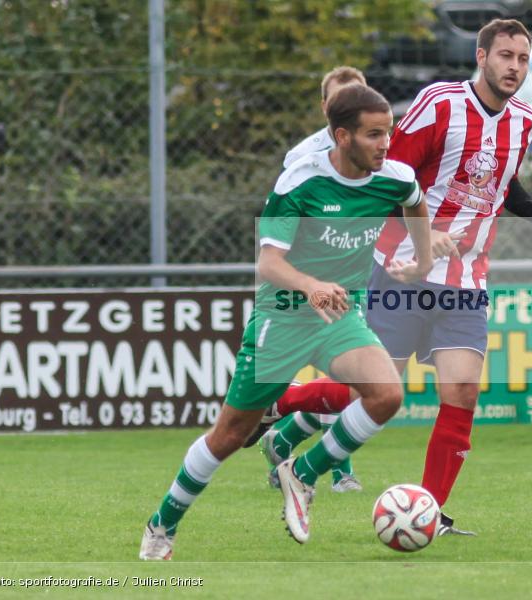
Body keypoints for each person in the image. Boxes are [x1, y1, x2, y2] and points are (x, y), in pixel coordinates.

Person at [258, 18, 532, 537]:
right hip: (404, 271)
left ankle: (428, 512)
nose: (514, 67)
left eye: (523, 58)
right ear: (481, 56)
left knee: (463, 393)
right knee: (368, 392)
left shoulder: (523, 120)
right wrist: (426, 238)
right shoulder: (440, 104)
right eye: (505, 56)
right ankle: (284, 402)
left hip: (466, 280)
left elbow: (501, 181)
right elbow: (385, 176)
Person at [139, 83, 433, 558]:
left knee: (387, 394)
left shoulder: (394, 177)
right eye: (374, 135)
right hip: (283, 316)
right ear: (342, 136)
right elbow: (269, 263)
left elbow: (415, 201)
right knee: (229, 435)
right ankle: (162, 524)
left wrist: (422, 261)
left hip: (338, 316)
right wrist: (310, 285)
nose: (385, 144)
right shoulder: (301, 180)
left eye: (388, 133)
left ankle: (302, 472)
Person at [254, 65, 368, 494]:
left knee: (353, 383)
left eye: (358, 96)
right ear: (325, 107)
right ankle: (338, 472)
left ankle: (284, 432)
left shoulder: (376, 151)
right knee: (352, 380)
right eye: (340, 99)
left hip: (356, 275)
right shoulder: (302, 158)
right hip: (312, 280)